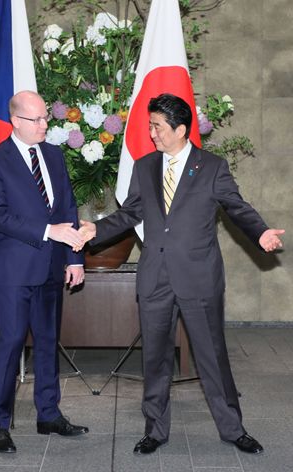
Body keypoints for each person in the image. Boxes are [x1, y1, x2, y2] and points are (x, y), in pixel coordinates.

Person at [78, 94, 285, 455]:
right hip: (155, 277)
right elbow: (130, 214)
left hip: (199, 278)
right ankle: (155, 430)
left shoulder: (212, 167)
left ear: (180, 129)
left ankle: (233, 429)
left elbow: (237, 206)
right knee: (154, 359)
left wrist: (260, 232)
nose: (151, 132)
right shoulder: (145, 167)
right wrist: (96, 231)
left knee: (212, 356)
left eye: (157, 126)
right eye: (150, 125)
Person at [0, 90, 88, 454]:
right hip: (14, 269)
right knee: (10, 344)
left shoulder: (54, 155)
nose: (45, 125)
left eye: (45, 118)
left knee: (46, 343)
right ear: (15, 121)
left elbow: (68, 207)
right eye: (37, 119)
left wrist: (74, 257)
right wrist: (47, 232)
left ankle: (49, 414)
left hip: (53, 265)